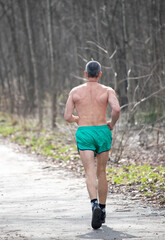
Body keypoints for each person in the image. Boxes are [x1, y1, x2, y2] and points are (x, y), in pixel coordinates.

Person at [64, 60, 120, 229]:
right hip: (102, 131)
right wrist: (112, 123)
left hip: (85, 132)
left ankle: (94, 204)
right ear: (100, 74)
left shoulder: (75, 92)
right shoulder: (107, 90)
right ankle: (102, 210)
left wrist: (76, 119)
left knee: (89, 170)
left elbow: (67, 117)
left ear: (85, 73)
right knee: (101, 171)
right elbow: (116, 109)